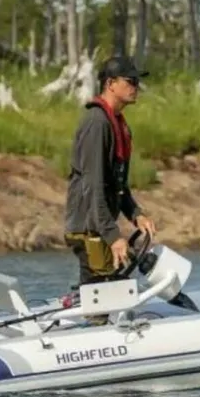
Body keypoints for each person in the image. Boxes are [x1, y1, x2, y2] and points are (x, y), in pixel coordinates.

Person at [63, 55, 157, 313]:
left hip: (98, 226)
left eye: (137, 82)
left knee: (112, 290)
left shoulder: (118, 125)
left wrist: (136, 214)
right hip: (88, 228)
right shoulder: (97, 123)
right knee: (103, 301)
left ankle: (94, 315)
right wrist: (113, 236)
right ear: (110, 84)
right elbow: (92, 186)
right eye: (130, 81)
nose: (136, 86)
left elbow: (118, 184)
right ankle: (95, 327)